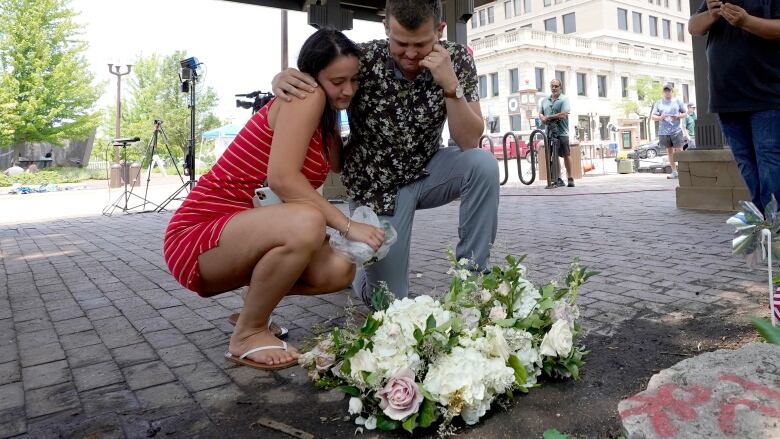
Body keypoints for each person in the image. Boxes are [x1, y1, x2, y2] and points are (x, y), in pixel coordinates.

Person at [162, 28, 385, 370]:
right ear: (311, 77)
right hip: (199, 234)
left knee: (339, 269)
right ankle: (248, 334)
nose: (349, 90)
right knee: (307, 222)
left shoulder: (327, 120)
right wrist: (347, 225)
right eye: (338, 81)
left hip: (245, 232)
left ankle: (254, 305)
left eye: (355, 80)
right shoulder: (306, 97)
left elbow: (340, 162)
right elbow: (283, 179)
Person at [272, 0, 498, 304]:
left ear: (440, 31)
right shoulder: (362, 60)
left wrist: (450, 85)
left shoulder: (456, 60)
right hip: (378, 187)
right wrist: (282, 78)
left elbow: (469, 140)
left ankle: (474, 282)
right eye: (400, 43)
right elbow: (321, 73)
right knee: (389, 302)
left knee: (482, 164)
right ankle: (361, 276)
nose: (410, 54)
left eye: (421, 44)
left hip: (430, 169)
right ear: (386, 29)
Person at [689, 0, 780, 213]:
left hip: (767, 95)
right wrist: (711, 15)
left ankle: (774, 226)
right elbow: (694, 27)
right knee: (745, 163)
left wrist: (746, 21)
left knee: (769, 161)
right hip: (726, 97)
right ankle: (765, 223)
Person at [538, 79, 574, 187]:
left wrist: (548, 117)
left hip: (562, 133)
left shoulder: (564, 99)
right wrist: (542, 117)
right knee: (553, 155)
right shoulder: (545, 100)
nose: (554, 88)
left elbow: (563, 114)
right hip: (549, 133)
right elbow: (540, 113)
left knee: (566, 155)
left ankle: (570, 178)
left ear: (560, 87)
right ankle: (558, 179)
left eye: (556, 86)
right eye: (552, 86)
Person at [651, 83, 687, 179]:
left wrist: (678, 116)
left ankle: (683, 170)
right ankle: (674, 171)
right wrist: (660, 117)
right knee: (669, 151)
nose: (667, 92)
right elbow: (652, 117)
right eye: (665, 90)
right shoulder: (658, 103)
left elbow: (685, 114)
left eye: (669, 90)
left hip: (676, 130)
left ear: (672, 91)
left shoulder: (678, 101)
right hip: (664, 131)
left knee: (679, 150)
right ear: (663, 92)